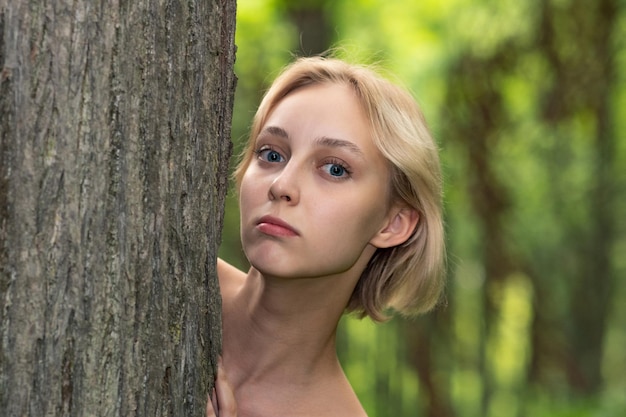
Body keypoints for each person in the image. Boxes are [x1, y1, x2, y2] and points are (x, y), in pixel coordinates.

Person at [207, 56, 445, 417]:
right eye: (271, 154)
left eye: (335, 169)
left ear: (393, 223)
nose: (282, 185)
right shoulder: (165, 283)